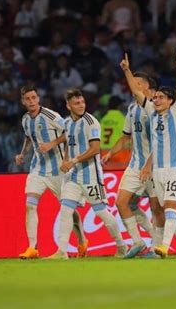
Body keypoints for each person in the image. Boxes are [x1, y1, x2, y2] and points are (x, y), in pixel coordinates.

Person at [121, 52, 176, 259]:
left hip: (174, 168)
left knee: (170, 208)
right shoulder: (152, 112)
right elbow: (136, 91)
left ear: (171, 101)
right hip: (157, 170)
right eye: (156, 97)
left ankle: (164, 247)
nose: (157, 99)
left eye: (161, 97)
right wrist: (126, 70)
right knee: (170, 210)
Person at [46, 89, 128, 259]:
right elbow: (70, 142)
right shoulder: (67, 123)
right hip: (73, 176)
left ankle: (122, 245)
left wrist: (73, 161)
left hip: (90, 175)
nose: (81, 105)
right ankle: (62, 251)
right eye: (76, 103)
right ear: (68, 106)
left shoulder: (91, 122)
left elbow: (95, 149)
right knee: (66, 209)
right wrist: (66, 160)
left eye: (82, 102)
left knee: (101, 212)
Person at [16, 85, 88, 259]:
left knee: (68, 208)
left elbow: (69, 132)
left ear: (38, 98)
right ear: (23, 101)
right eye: (28, 99)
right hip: (38, 169)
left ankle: (82, 240)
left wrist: (52, 144)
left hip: (58, 171)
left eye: (34, 98)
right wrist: (23, 154)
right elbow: (28, 137)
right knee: (30, 205)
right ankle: (32, 247)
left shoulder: (51, 116)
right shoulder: (25, 119)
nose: (32, 101)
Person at [101, 71, 164, 259]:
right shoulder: (131, 109)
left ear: (148, 88)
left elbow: (160, 142)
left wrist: (126, 70)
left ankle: (157, 247)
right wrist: (111, 152)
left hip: (153, 166)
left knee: (157, 208)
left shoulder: (153, 108)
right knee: (122, 202)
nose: (132, 86)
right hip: (135, 164)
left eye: (138, 83)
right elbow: (126, 137)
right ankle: (138, 242)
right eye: (132, 82)